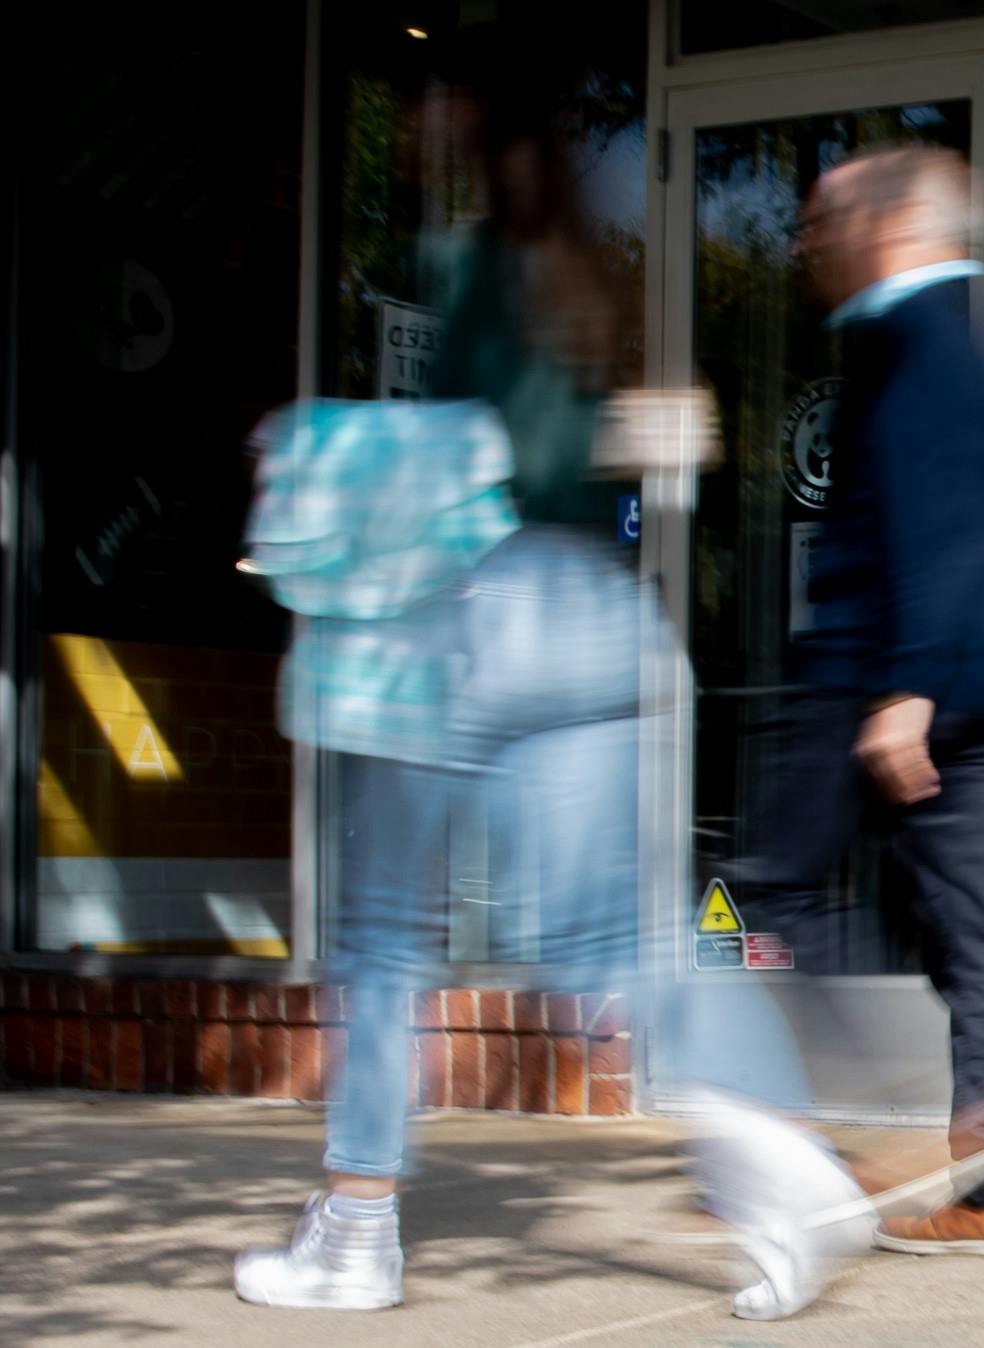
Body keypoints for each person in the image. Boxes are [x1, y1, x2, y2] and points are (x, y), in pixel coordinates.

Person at [233, 33, 650, 1311]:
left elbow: (463, 454)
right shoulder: (589, 269)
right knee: (592, 942)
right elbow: (591, 444)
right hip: (585, 610)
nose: (407, 128)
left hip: (460, 619)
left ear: (465, 115)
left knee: (382, 932)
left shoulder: (466, 266)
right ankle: (767, 1160)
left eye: (420, 105)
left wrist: (307, 451)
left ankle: (358, 1225)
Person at [695, 145, 984, 1320]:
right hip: (951, 682)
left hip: (879, 683)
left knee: (761, 898)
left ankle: (825, 1150)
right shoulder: (945, 335)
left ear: (890, 227)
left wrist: (906, 691)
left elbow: (945, 524)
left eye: (824, 222)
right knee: (972, 945)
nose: (808, 245)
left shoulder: (913, 340)